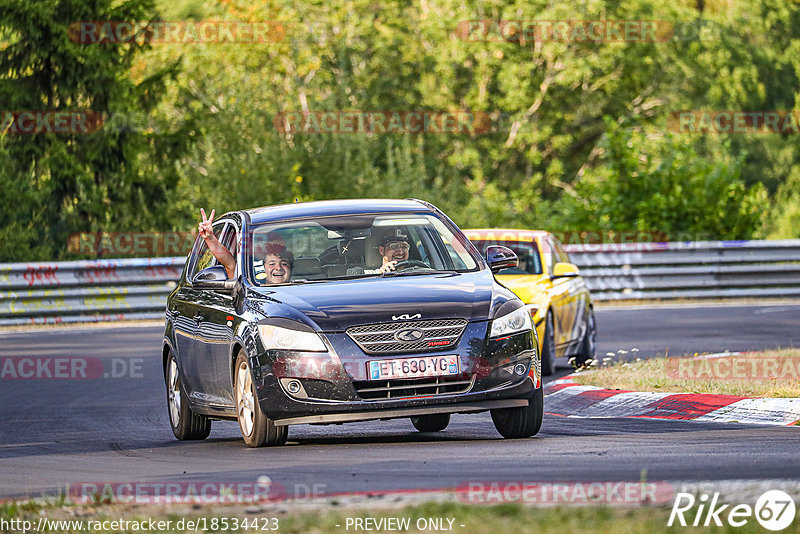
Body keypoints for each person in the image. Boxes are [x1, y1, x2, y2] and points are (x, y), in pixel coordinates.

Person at [198, 208, 292, 284]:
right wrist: (210, 239)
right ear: (264, 267)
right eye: (272, 264)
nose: (278, 268)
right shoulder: (249, 287)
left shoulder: (302, 288)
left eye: (284, 263)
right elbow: (228, 262)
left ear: (291, 268)